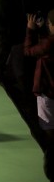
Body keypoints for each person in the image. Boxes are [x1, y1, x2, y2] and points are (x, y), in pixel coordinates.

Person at [24, 10, 54, 148]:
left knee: (48, 125)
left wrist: (30, 29)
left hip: (47, 90)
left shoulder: (49, 44)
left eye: (49, 23)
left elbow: (28, 50)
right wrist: (42, 30)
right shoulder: (48, 42)